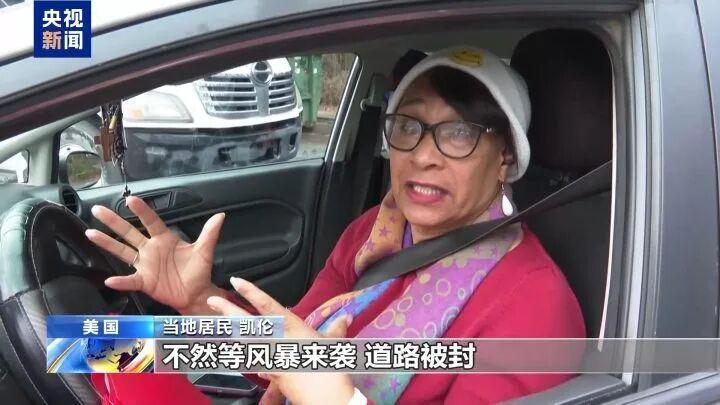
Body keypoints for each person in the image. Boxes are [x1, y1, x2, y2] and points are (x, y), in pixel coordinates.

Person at [86, 46, 584, 404]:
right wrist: (199, 300)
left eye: (459, 133)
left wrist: (339, 399)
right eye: (409, 126)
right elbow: (287, 351)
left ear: (506, 158)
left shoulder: (535, 307)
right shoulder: (375, 231)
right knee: (89, 347)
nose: (423, 156)